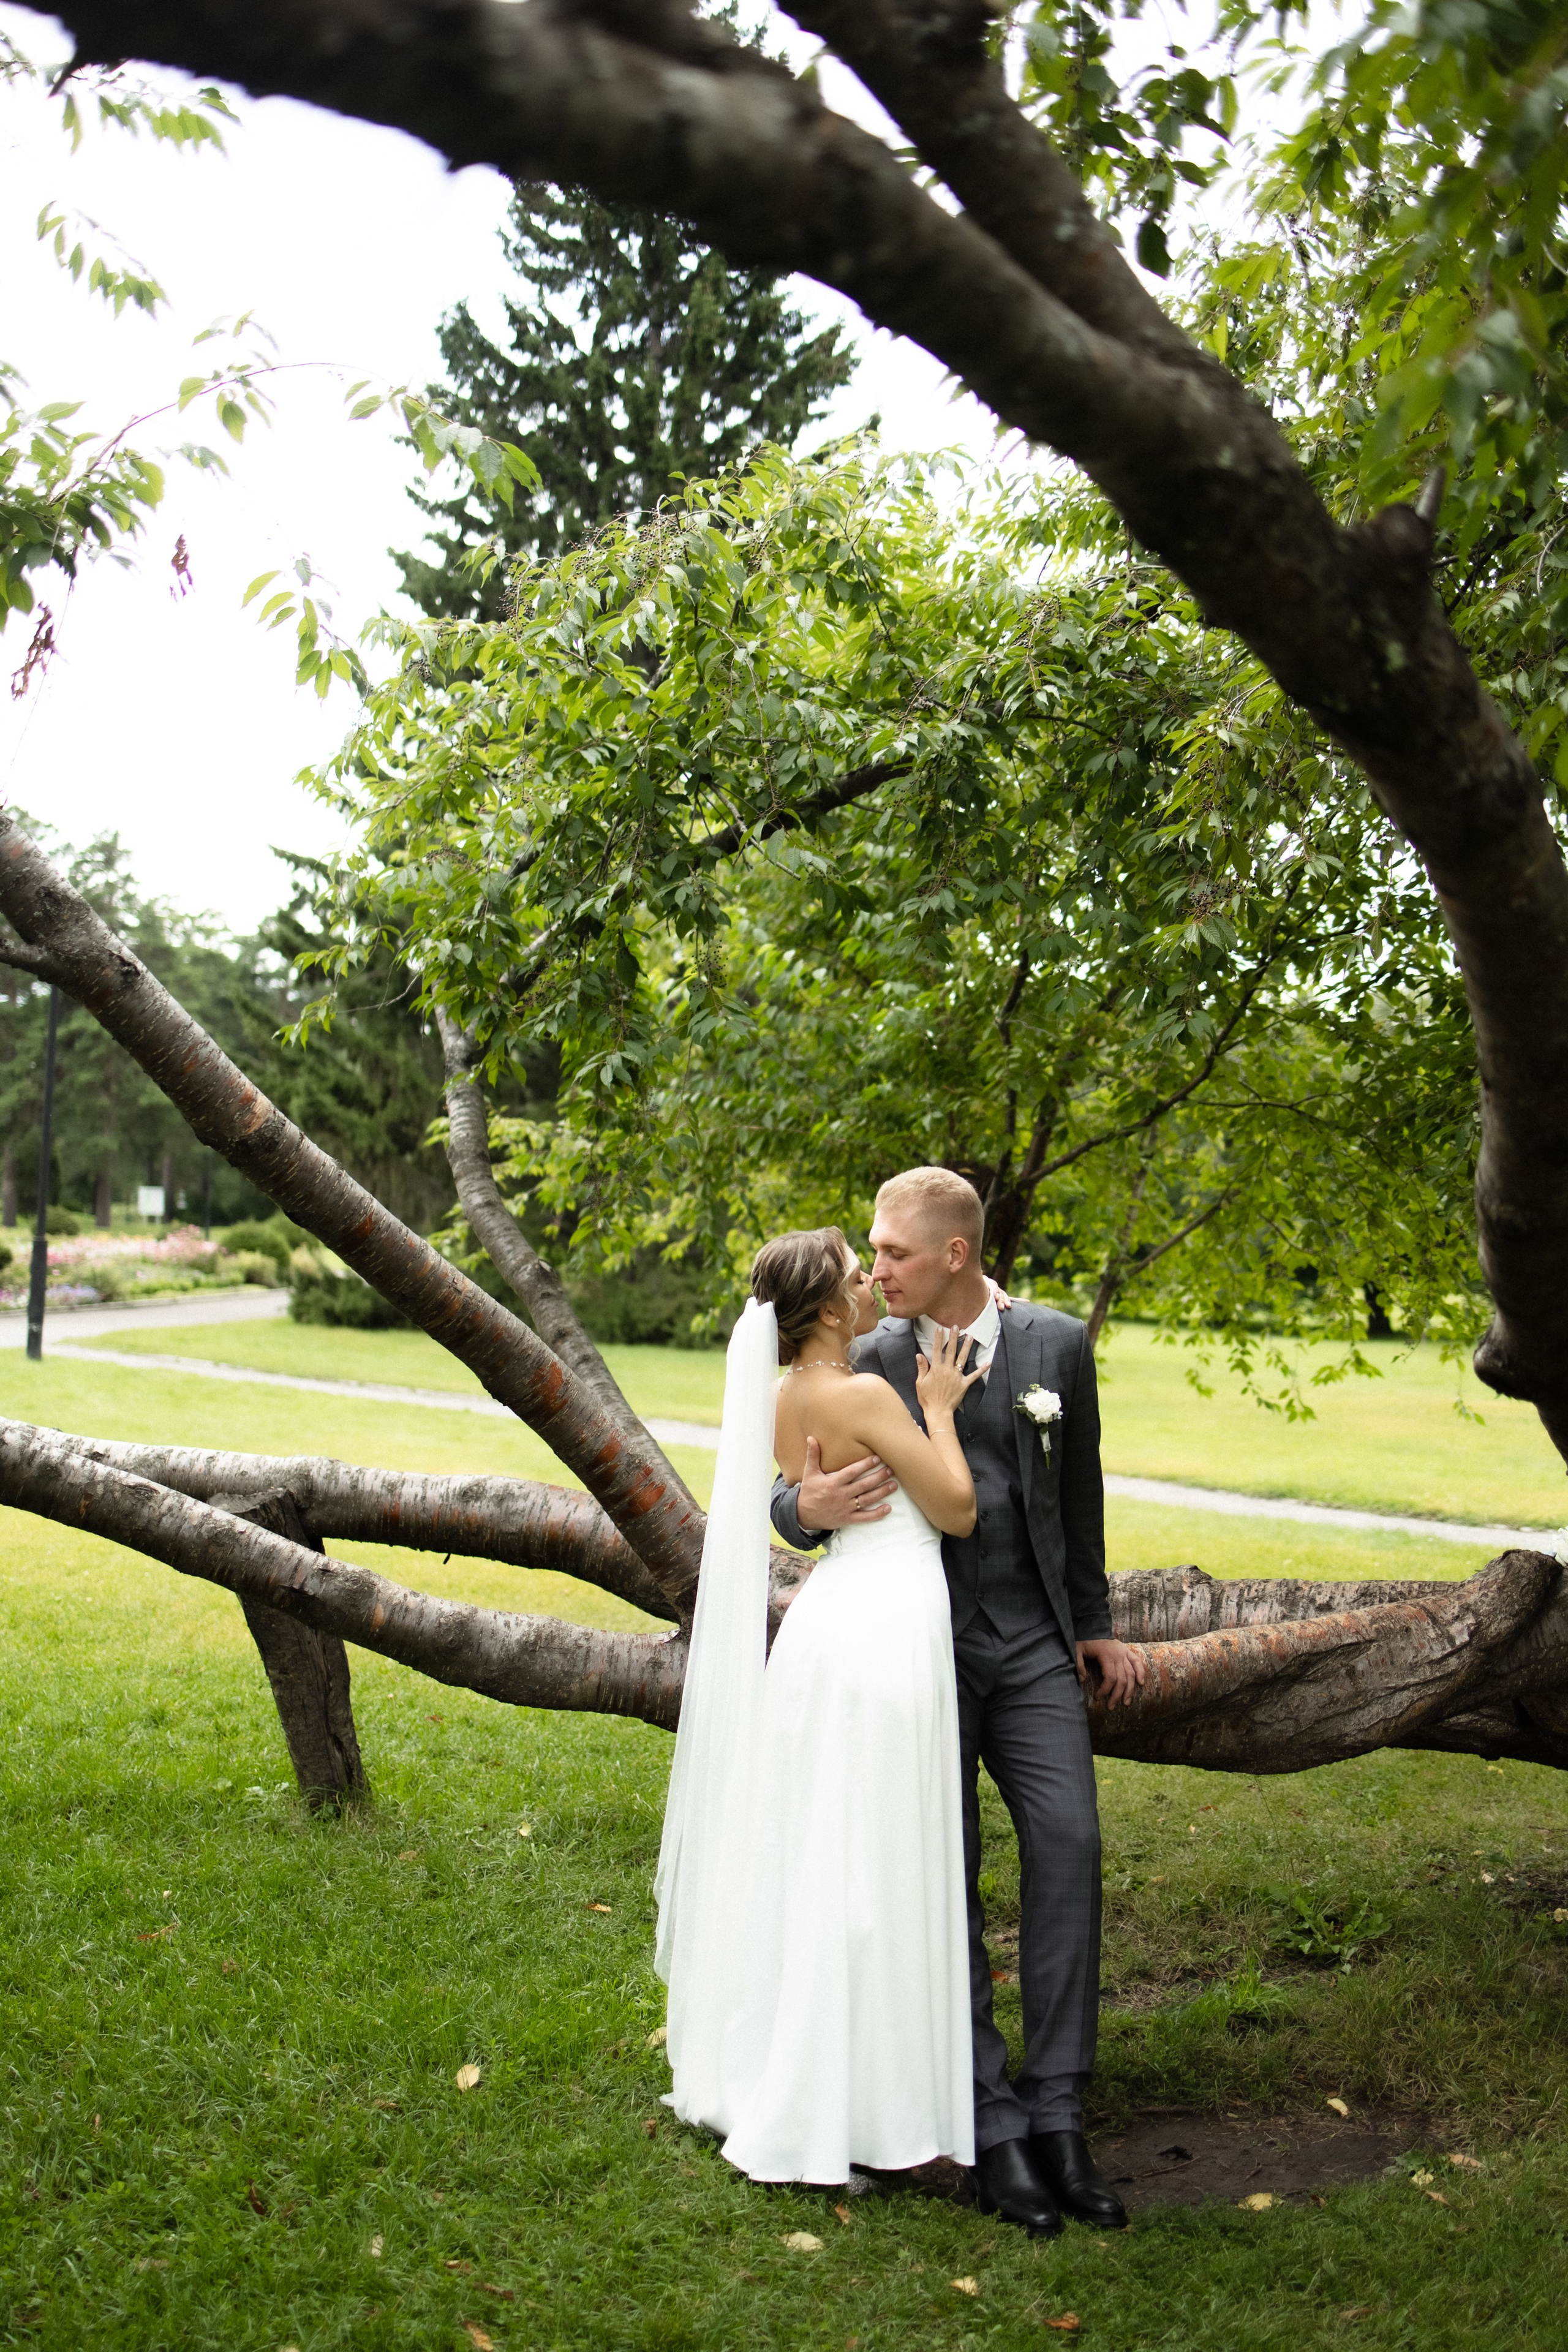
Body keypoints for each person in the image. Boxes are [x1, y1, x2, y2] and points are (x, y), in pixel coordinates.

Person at [771, 1167, 1147, 2237]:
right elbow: (785, 1479)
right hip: (918, 1647)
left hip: (1030, 1647)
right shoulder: (869, 1355)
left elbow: (1080, 1495)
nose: (874, 1267)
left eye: (893, 1252)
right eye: (871, 1253)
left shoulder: (1058, 1345)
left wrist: (1095, 1621)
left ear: (956, 1255)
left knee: (1069, 1843)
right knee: (944, 1871)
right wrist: (800, 1507)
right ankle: (990, 2124)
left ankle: (1061, 2113)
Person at [655, 1227, 985, 2184]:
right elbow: (956, 1509)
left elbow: (794, 1487)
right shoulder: (871, 1393)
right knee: (873, 1861)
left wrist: (807, 1503)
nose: (871, 1282)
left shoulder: (775, 1394)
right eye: (856, 1276)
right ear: (834, 1311)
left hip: (825, 1631)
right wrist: (940, 1410)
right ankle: (865, 2101)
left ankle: (814, 2070)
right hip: (883, 1626)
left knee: (813, 1857)